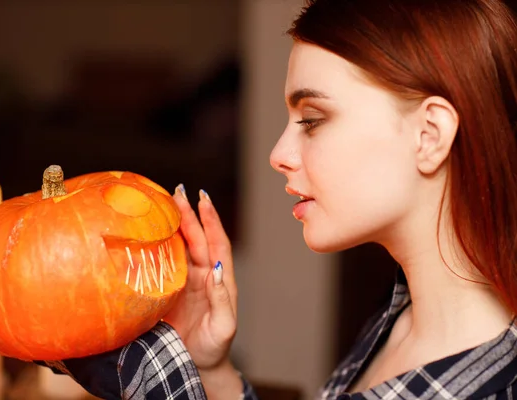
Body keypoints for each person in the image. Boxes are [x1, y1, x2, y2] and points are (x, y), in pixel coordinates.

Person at [38, 0, 517, 398]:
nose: (278, 154)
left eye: (312, 119)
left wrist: (153, 369)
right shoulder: (405, 314)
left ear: (429, 135)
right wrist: (213, 370)